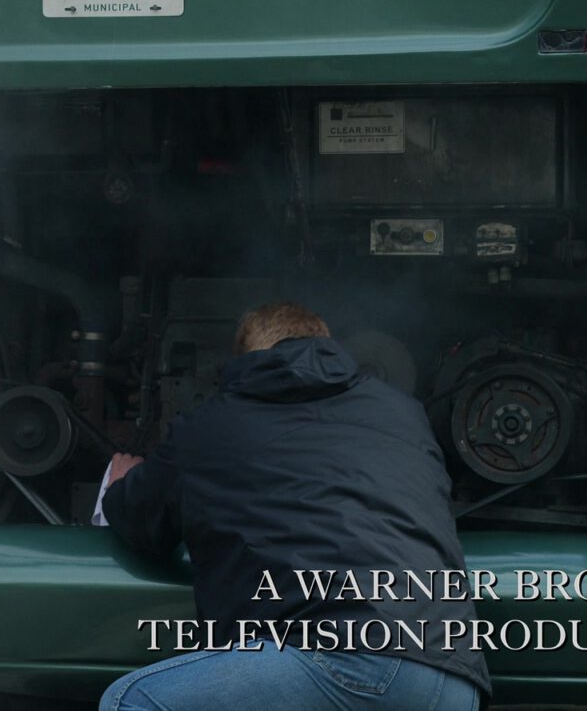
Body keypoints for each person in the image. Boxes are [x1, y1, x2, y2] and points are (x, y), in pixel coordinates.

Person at [98, 302, 489, 711]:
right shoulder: (404, 412)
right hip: (451, 682)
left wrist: (121, 484)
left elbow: (141, 521)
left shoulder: (210, 424)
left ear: (245, 357)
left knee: (131, 702)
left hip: (346, 660)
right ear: (328, 346)